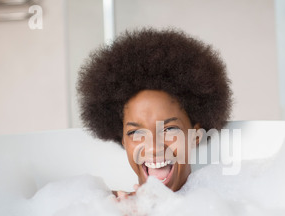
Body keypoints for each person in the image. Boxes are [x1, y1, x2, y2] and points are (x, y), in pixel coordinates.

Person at [77, 28, 232, 200]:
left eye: (169, 129)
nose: (152, 147)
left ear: (196, 135)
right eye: (135, 132)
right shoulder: (107, 209)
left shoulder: (224, 205)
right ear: (123, 140)